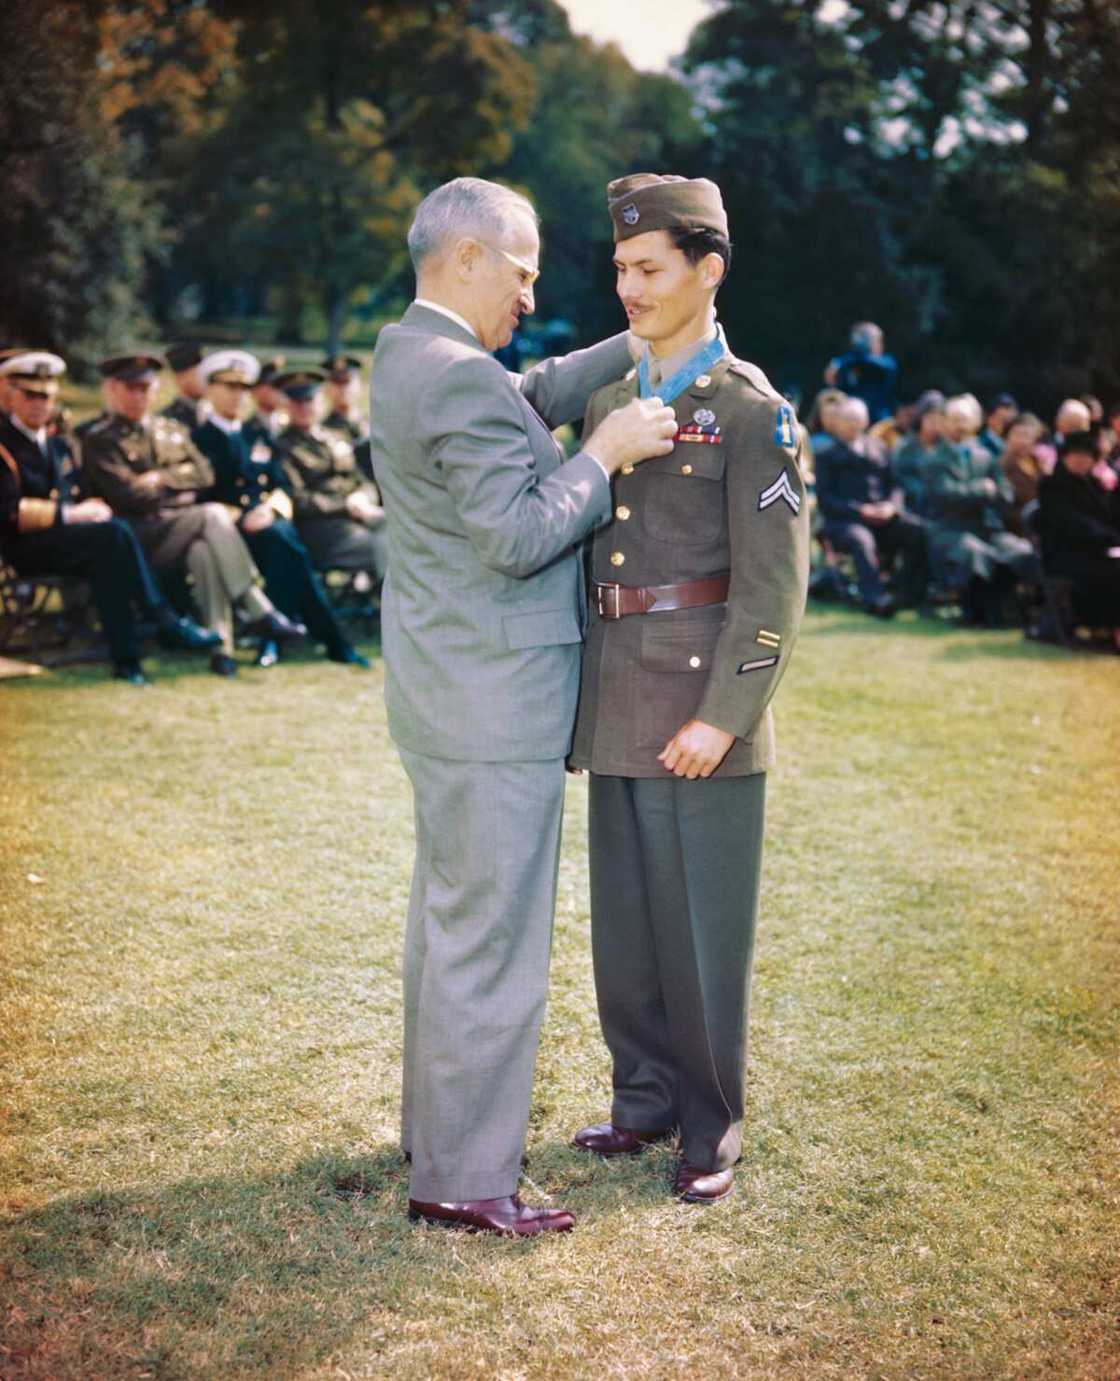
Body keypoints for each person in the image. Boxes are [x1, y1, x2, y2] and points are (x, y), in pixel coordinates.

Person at [369, 175, 677, 1237]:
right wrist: (604, 452)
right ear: (467, 258)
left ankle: (438, 1134)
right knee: (488, 941)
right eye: (523, 268)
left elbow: (522, 392)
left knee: (450, 923)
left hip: (445, 690)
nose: (532, 290)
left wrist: (630, 349)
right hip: (489, 702)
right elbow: (512, 535)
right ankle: (461, 1179)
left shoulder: (411, 349)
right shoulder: (453, 375)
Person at [567, 172, 810, 1205]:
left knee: (701, 933)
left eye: (649, 268)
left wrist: (723, 714)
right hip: (617, 695)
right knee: (625, 928)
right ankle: (644, 1100)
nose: (629, 286)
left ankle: (711, 1126)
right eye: (620, 268)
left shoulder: (754, 414)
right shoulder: (610, 403)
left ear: (706, 272)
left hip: (701, 712)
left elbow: (772, 587)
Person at [0, 351, 219, 683]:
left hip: (65, 541)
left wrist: (92, 508)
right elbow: (9, 513)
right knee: (112, 535)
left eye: (46, 395)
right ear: (10, 395)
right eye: (29, 395)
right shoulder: (5, 445)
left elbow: (79, 488)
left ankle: (127, 662)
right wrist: (72, 513)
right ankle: (162, 619)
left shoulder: (59, 444)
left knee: (110, 554)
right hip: (24, 547)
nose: (38, 404)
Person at [82, 352, 305, 676]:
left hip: (180, 527)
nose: (140, 395)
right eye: (132, 388)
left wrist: (159, 479)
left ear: (156, 389)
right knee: (212, 515)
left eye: (146, 387)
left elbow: (204, 474)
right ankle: (259, 609)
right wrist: (174, 480)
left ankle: (221, 649)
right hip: (141, 538)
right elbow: (128, 495)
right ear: (114, 390)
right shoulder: (101, 438)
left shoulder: (169, 428)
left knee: (204, 549)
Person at [192, 350, 368, 668]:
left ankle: (274, 638)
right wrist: (244, 516)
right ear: (211, 390)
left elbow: (280, 484)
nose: (236, 396)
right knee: (286, 546)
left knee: (283, 542)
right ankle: (329, 639)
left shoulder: (255, 435)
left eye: (242, 389)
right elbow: (198, 494)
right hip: (226, 531)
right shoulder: (199, 438)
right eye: (228, 388)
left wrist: (271, 509)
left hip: (267, 523)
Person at [923, 394, 1037, 625]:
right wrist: (982, 490)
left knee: (1020, 550)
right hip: (950, 530)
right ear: (943, 422)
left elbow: (1006, 494)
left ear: (976, 422)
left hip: (987, 529)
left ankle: (1004, 609)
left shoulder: (987, 457)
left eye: (965, 419)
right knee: (973, 551)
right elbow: (945, 496)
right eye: (954, 419)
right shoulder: (934, 460)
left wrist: (987, 492)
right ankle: (977, 613)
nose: (960, 425)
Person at [815, 395, 928, 615]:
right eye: (847, 419)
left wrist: (891, 506)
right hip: (845, 521)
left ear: (865, 421)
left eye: (857, 419)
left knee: (917, 531)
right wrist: (860, 511)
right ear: (837, 422)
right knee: (861, 540)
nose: (853, 424)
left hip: (882, 517)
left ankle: (909, 593)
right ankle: (875, 599)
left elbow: (896, 485)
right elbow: (825, 498)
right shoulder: (826, 456)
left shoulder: (879, 448)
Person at [272, 368, 387, 583]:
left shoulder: (335, 436)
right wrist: (345, 505)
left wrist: (363, 497)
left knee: (408, 533)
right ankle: (392, 611)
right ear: (285, 405)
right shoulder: (282, 446)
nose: (304, 408)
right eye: (297, 402)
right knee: (390, 546)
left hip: (360, 517)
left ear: (320, 400)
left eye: (310, 399)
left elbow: (362, 480)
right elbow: (297, 499)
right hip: (323, 531)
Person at [1037, 430, 1120, 650]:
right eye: (1076, 454)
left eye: (1087, 455)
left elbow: (1109, 517)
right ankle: (1109, 628)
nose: (1081, 459)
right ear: (1064, 456)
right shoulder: (1052, 485)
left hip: (1096, 549)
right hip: (1065, 553)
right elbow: (1070, 523)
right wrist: (1110, 538)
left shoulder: (1094, 484)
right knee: (1113, 571)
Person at [824, 322, 897, 423]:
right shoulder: (846, 363)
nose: (880, 344)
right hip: (851, 420)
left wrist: (847, 360)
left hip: (878, 421)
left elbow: (874, 364)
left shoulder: (886, 362)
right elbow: (832, 384)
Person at [892, 390, 947, 516]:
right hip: (911, 507)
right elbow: (897, 479)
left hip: (942, 509)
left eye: (940, 419)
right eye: (931, 418)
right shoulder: (904, 446)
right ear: (921, 417)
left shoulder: (947, 447)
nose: (935, 424)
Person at [320, 353, 374, 482]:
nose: (342, 388)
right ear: (327, 388)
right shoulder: (321, 431)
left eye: (347, 381)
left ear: (359, 385)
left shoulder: (375, 426)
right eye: (337, 382)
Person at [999, 412, 1046, 534]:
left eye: (1027, 436)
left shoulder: (1038, 463)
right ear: (1007, 436)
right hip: (1016, 526)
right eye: (1017, 435)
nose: (1022, 441)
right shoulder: (1001, 464)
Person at [161, 343, 211, 430]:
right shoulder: (166, 419)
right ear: (180, 379)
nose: (205, 380)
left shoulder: (216, 412)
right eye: (198, 374)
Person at [978, 392, 1017, 457]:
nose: (1008, 427)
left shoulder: (1011, 444)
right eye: (1003, 420)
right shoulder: (982, 444)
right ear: (989, 418)